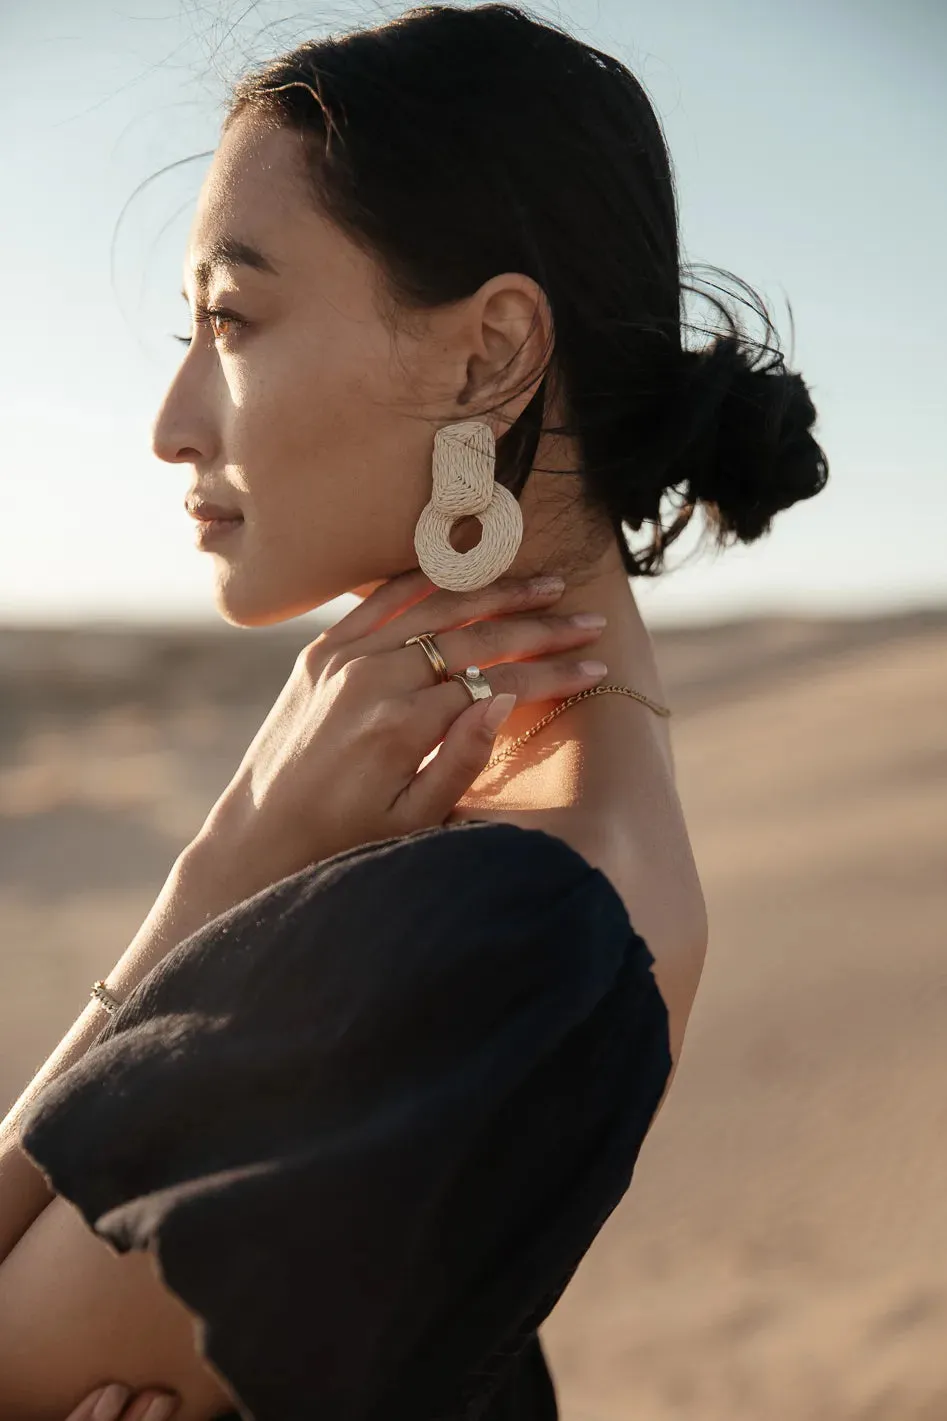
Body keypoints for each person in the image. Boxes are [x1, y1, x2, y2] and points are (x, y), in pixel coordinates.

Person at [0, 5, 829, 1419]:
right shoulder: (540, 863)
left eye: (232, 320)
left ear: (487, 354)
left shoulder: (498, 928)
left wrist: (218, 872)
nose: (172, 421)